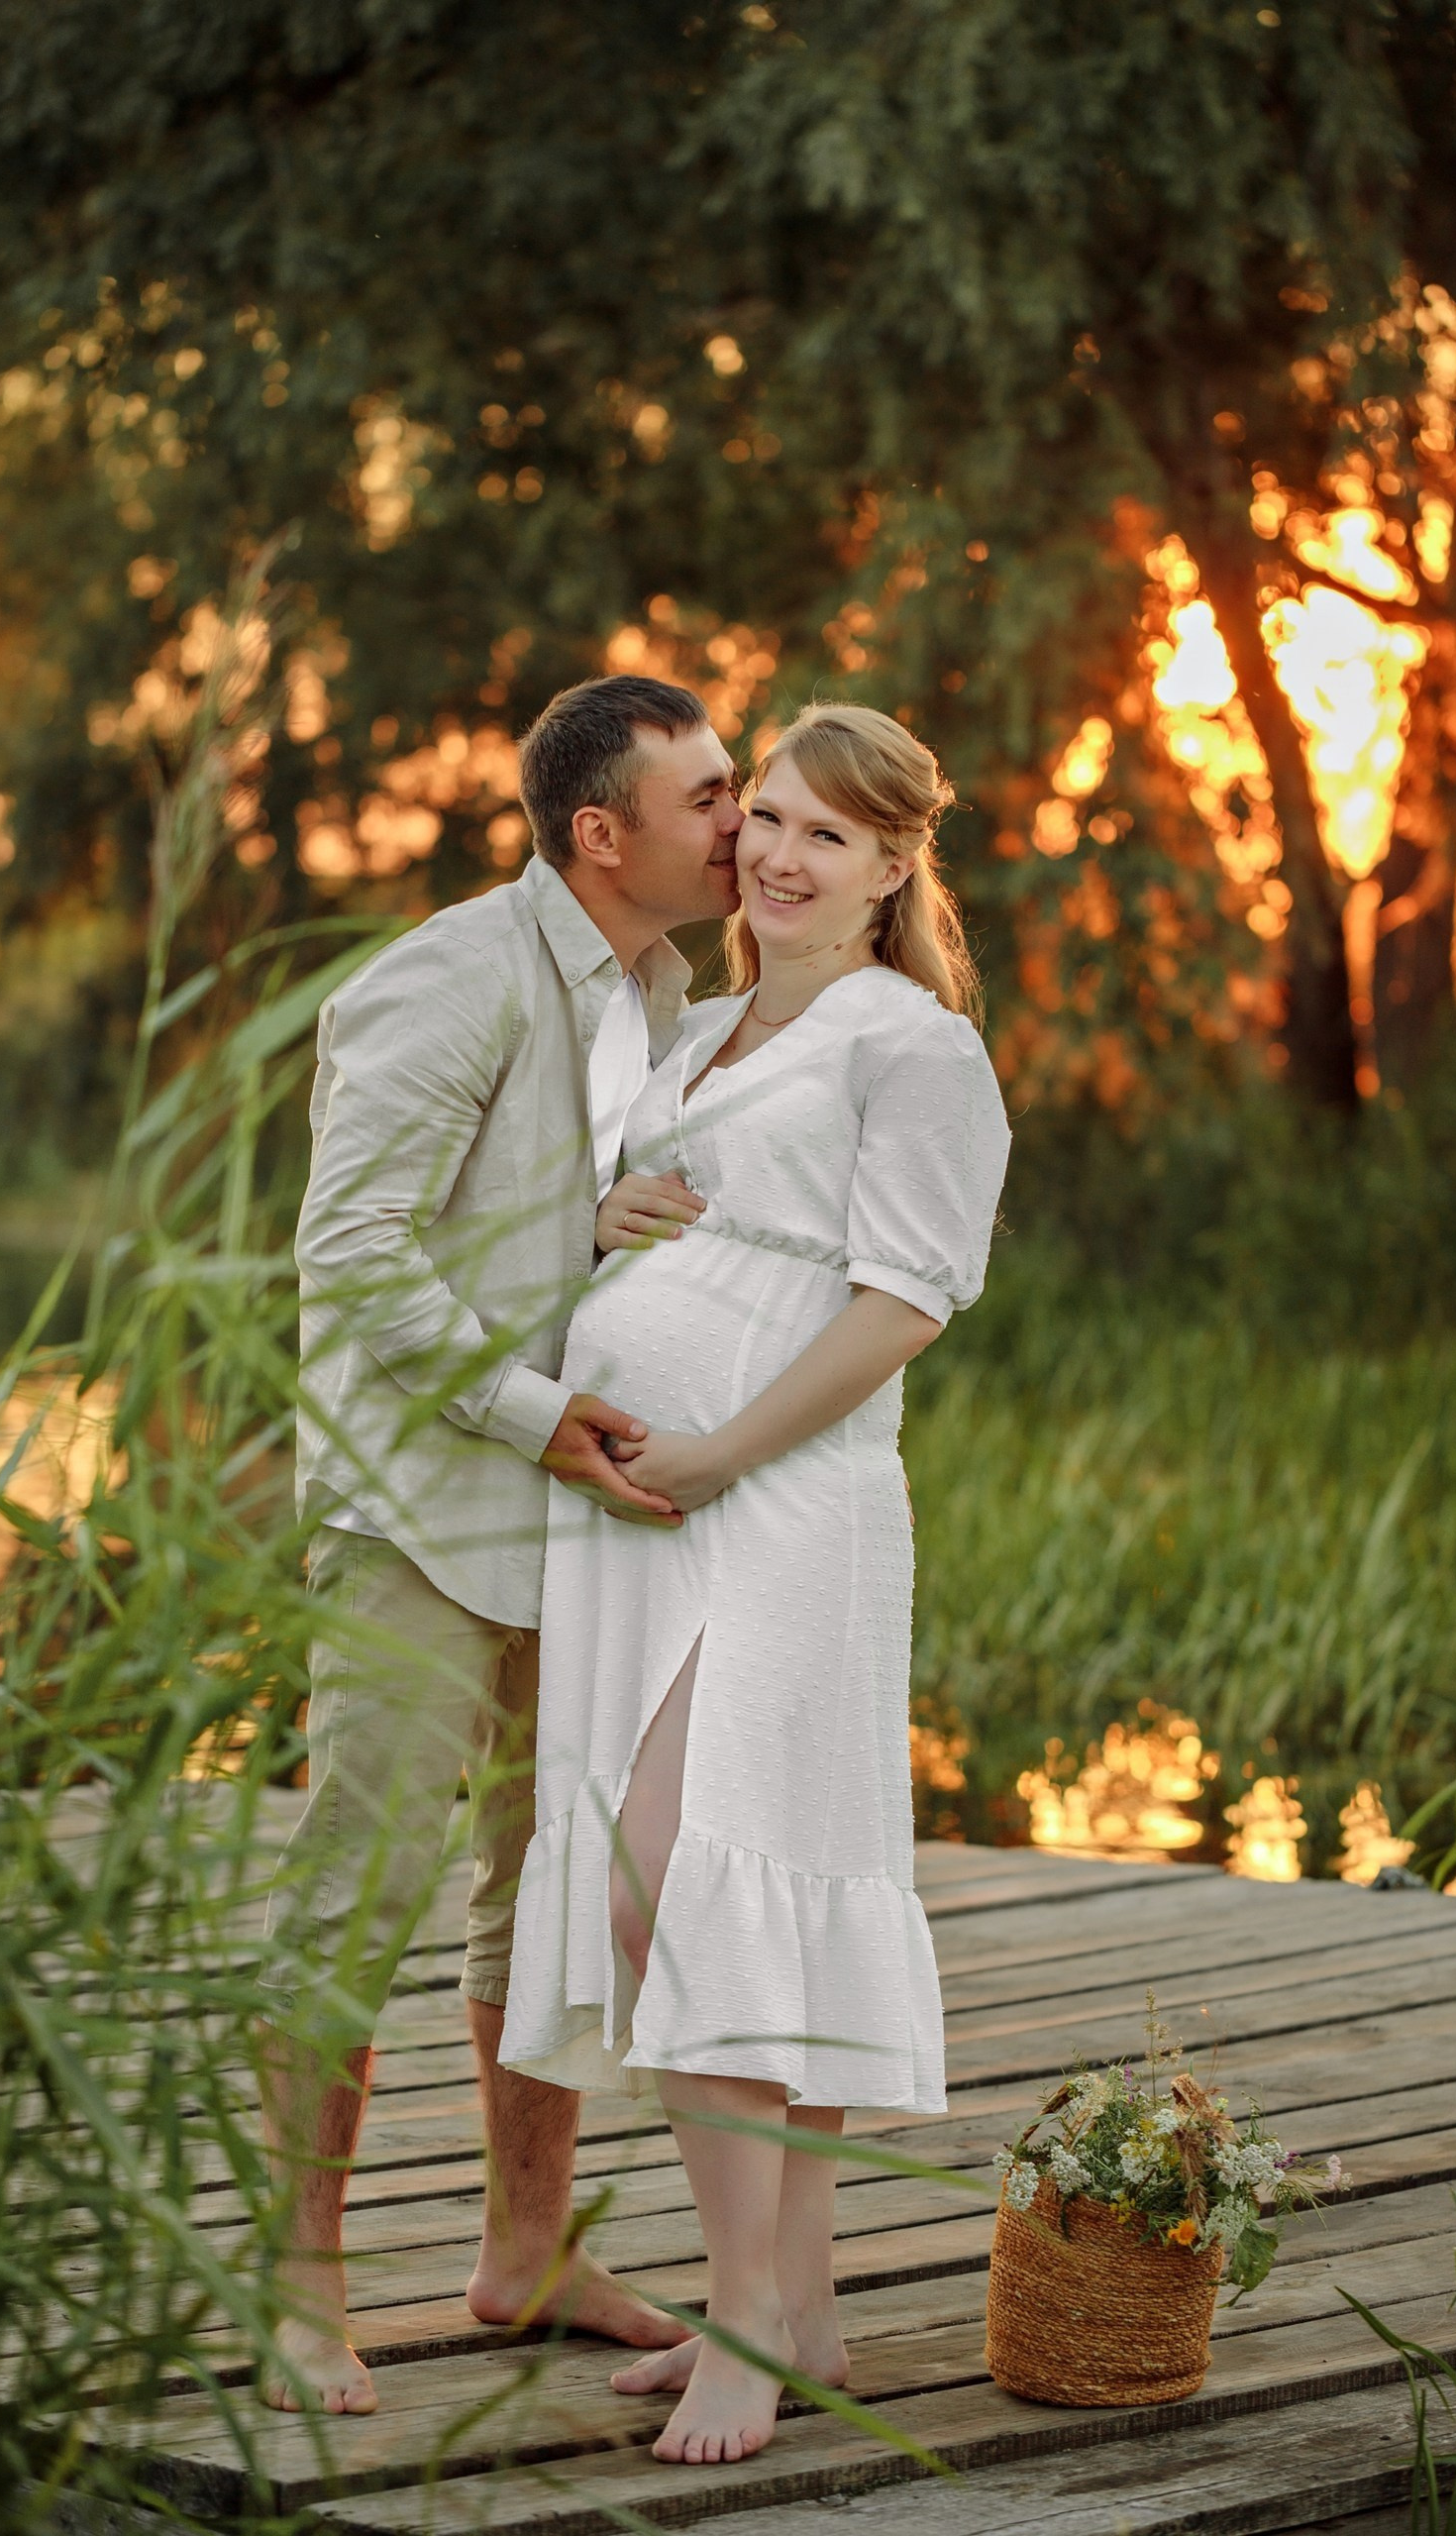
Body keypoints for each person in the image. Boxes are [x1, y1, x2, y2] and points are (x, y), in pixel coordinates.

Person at [500, 702, 1011, 2465]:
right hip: (637, 1524)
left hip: (785, 1510)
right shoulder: (701, 1028)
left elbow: (908, 1299)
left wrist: (721, 1450)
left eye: (830, 837)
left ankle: (742, 2322)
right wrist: (599, 1231)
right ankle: (799, 2309)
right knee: (722, 1887)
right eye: (769, 821)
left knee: (681, 1877)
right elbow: (642, 1215)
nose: (782, 856)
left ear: (890, 871)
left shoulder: (912, 1047)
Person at [257, 674, 744, 2415]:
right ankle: (293, 2292)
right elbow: (358, 1255)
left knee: (539, 1899)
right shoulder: (452, 977)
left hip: (582, 1520)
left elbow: (562, 1233)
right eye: (707, 796)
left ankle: (523, 2255)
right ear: (599, 832)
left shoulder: (669, 990)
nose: (737, 821)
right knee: (359, 1896)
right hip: (423, 1507)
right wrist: (545, 1412)